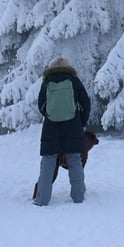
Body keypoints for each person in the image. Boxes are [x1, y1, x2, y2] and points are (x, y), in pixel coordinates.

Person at [33, 56, 91, 206]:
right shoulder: (74, 80)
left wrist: (50, 115)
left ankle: (42, 199)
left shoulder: (47, 82)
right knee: (74, 160)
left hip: (51, 128)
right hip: (73, 126)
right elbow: (86, 101)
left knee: (48, 162)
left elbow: (41, 104)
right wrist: (81, 122)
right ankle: (78, 197)